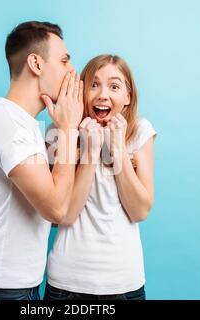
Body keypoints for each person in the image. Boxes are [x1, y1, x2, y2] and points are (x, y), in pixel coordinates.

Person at [0, 21, 83, 300]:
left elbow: (47, 212)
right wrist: (69, 129)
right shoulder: (6, 121)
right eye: (64, 61)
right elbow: (56, 210)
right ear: (36, 64)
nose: (72, 72)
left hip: (17, 289)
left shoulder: (26, 125)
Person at [44, 55, 157, 300]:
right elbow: (64, 216)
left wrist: (117, 150)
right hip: (67, 282)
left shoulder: (140, 131)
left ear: (128, 97)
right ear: (81, 93)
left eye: (114, 86)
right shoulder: (59, 131)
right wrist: (90, 152)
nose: (102, 95)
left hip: (125, 282)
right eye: (94, 85)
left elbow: (140, 211)